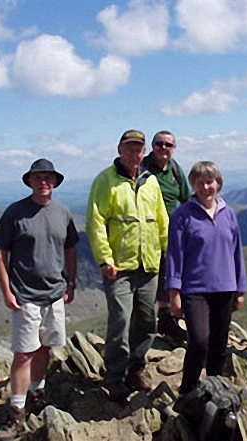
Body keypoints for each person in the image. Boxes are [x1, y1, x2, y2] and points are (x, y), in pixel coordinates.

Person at [0, 158, 79, 439]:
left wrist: (71, 282)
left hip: (54, 293)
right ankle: (16, 410)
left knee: (44, 347)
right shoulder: (15, 212)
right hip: (25, 294)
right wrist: (6, 290)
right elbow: (0, 252)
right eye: (38, 177)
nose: (44, 182)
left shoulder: (62, 212)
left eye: (49, 178)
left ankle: (37, 393)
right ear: (30, 181)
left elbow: (70, 249)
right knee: (23, 353)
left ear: (55, 182)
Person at [86, 129, 169, 401]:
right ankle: (114, 377)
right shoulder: (105, 181)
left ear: (144, 152)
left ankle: (136, 368)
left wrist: (168, 254)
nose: (135, 153)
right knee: (120, 322)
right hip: (119, 268)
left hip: (148, 266)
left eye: (139, 149)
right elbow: (96, 223)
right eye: (130, 148)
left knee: (146, 322)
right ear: (120, 149)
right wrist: (105, 259)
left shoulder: (151, 182)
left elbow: (161, 221)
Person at [165, 161, 246, 394]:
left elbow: (237, 251)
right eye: (200, 182)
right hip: (195, 289)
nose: (205, 186)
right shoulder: (183, 215)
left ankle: (215, 387)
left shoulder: (228, 214)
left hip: (225, 287)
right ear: (193, 185)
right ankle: (188, 389)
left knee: (219, 344)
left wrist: (240, 289)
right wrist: (174, 292)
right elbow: (175, 254)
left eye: (210, 181)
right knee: (199, 341)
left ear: (218, 184)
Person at [142, 131, 190, 343]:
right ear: (152, 146)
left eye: (168, 145)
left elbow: (186, 199)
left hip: (172, 232)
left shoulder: (175, 170)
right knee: (153, 277)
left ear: (174, 148)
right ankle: (154, 323)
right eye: (159, 144)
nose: (163, 148)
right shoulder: (142, 169)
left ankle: (167, 320)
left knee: (170, 273)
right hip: (146, 233)